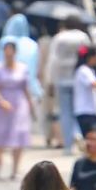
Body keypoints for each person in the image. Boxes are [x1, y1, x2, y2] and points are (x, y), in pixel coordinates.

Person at [0, 42, 37, 180]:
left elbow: (26, 88)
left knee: (19, 133)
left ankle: (15, 168)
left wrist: (30, 105)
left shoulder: (22, 68)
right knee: (0, 133)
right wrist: (0, 101)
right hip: (2, 101)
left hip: (19, 102)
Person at [43, 17, 92, 152]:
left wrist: (50, 81)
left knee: (65, 112)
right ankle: (78, 134)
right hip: (79, 78)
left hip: (61, 78)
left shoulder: (59, 38)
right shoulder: (82, 37)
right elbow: (87, 54)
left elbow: (52, 60)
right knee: (78, 110)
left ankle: (68, 145)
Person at [36, 19, 63, 149]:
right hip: (59, 78)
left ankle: (49, 137)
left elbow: (40, 62)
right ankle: (58, 137)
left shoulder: (43, 41)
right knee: (57, 110)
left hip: (47, 79)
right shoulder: (60, 40)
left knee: (48, 111)